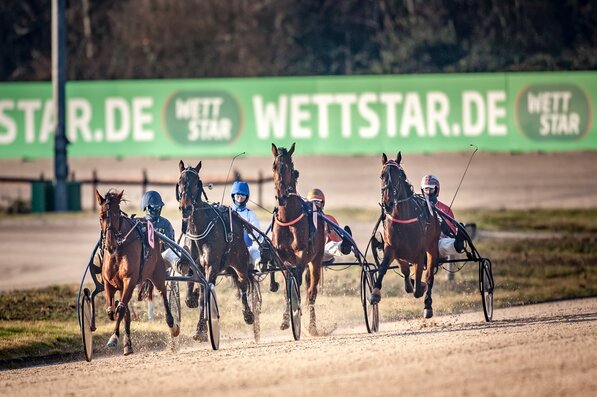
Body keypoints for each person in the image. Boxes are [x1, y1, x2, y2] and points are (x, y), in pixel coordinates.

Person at [139, 190, 176, 320]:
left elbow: (171, 244)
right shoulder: (140, 224)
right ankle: (150, 314)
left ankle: (181, 266)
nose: (157, 210)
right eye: (154, 208)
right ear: (147, 208)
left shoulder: (165, 224)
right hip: (145, 262)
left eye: (159, 207)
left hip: (163, 260)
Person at [420, 175, 465, 257]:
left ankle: (458, 244)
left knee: (445, 244)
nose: (428, 192)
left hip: (439, 243)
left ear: (436, 190)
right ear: (422, 191)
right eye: (426, 189)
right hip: (420, 244)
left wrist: (445, 228)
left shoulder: (445, 209)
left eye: (431, 189)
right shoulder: (418, 207)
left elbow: (452, 233)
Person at [306, 188, 353, 263]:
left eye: (317, 201)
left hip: (324, 252)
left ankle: (344, 247)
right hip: (305, 253)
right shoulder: (303, 220)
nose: (315, 204)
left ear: (322, 203)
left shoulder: (329, 219)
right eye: (312, 202)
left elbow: (337, 239)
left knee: (331, 246)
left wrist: (329, 232)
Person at [230, 181, 263, 271]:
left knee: (255, 252)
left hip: (247, 248)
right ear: (233, 196)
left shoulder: (250, 214)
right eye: (237, 196)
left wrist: (250, 231)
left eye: (243, 196)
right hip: (230, 249)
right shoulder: (227, 213)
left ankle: (258, 264)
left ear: (247, 197)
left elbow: (256, 236)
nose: (240, 198)